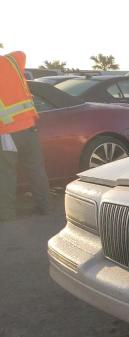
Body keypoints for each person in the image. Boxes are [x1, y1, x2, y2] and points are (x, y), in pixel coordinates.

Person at [0, 50, 49, 221]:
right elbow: (21, 53)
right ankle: (45, 207)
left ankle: (6, 215)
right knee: (36, 170)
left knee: (6, 174)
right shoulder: (13, 61)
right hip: (29, 128)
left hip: (6, 134)